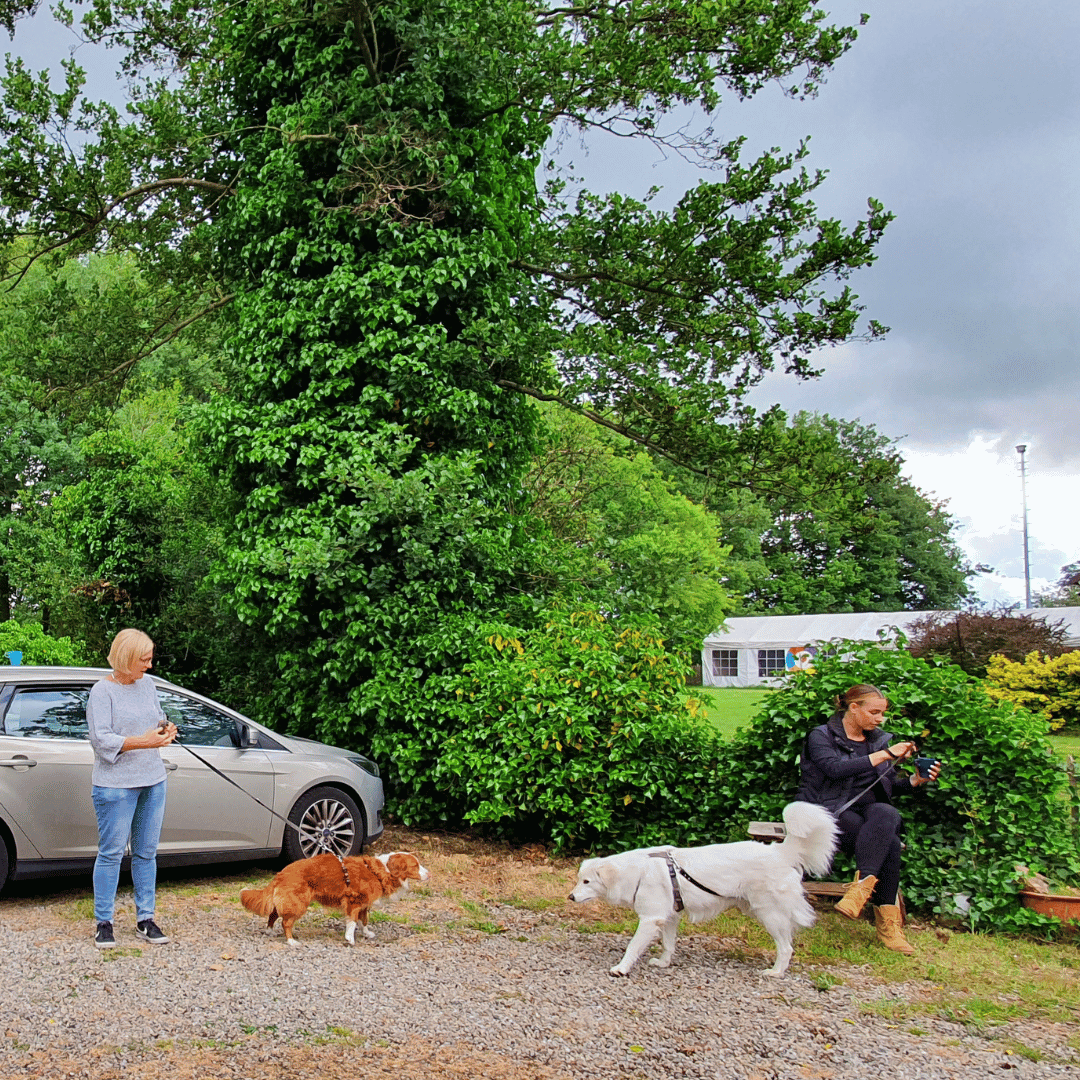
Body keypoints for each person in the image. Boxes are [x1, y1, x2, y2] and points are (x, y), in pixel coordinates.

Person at [797, 683, 941, 954]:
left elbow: (886, 786)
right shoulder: (821, 736)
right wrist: (886, 754)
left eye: (882, 714)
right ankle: (888, 927)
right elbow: (834, 769)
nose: (879, 719)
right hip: (828, 812)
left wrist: (914, 780)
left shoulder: (876, 740)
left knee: (886, 812)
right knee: (889, 844)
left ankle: (860, 890)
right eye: (874, 712)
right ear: (854, 708)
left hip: (871, 817)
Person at [86, 628, 178, 949]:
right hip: (115, 786)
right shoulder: (102, 692)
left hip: (153, 781)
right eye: (144, 659)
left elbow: (157, 719)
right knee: (111, 854)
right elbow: (102, 740)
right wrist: (144, 741)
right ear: (126, 658)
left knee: (146, 853)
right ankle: (104, 922)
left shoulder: (147, 684)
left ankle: (145, 919)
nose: (150, 666)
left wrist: (166, 729)